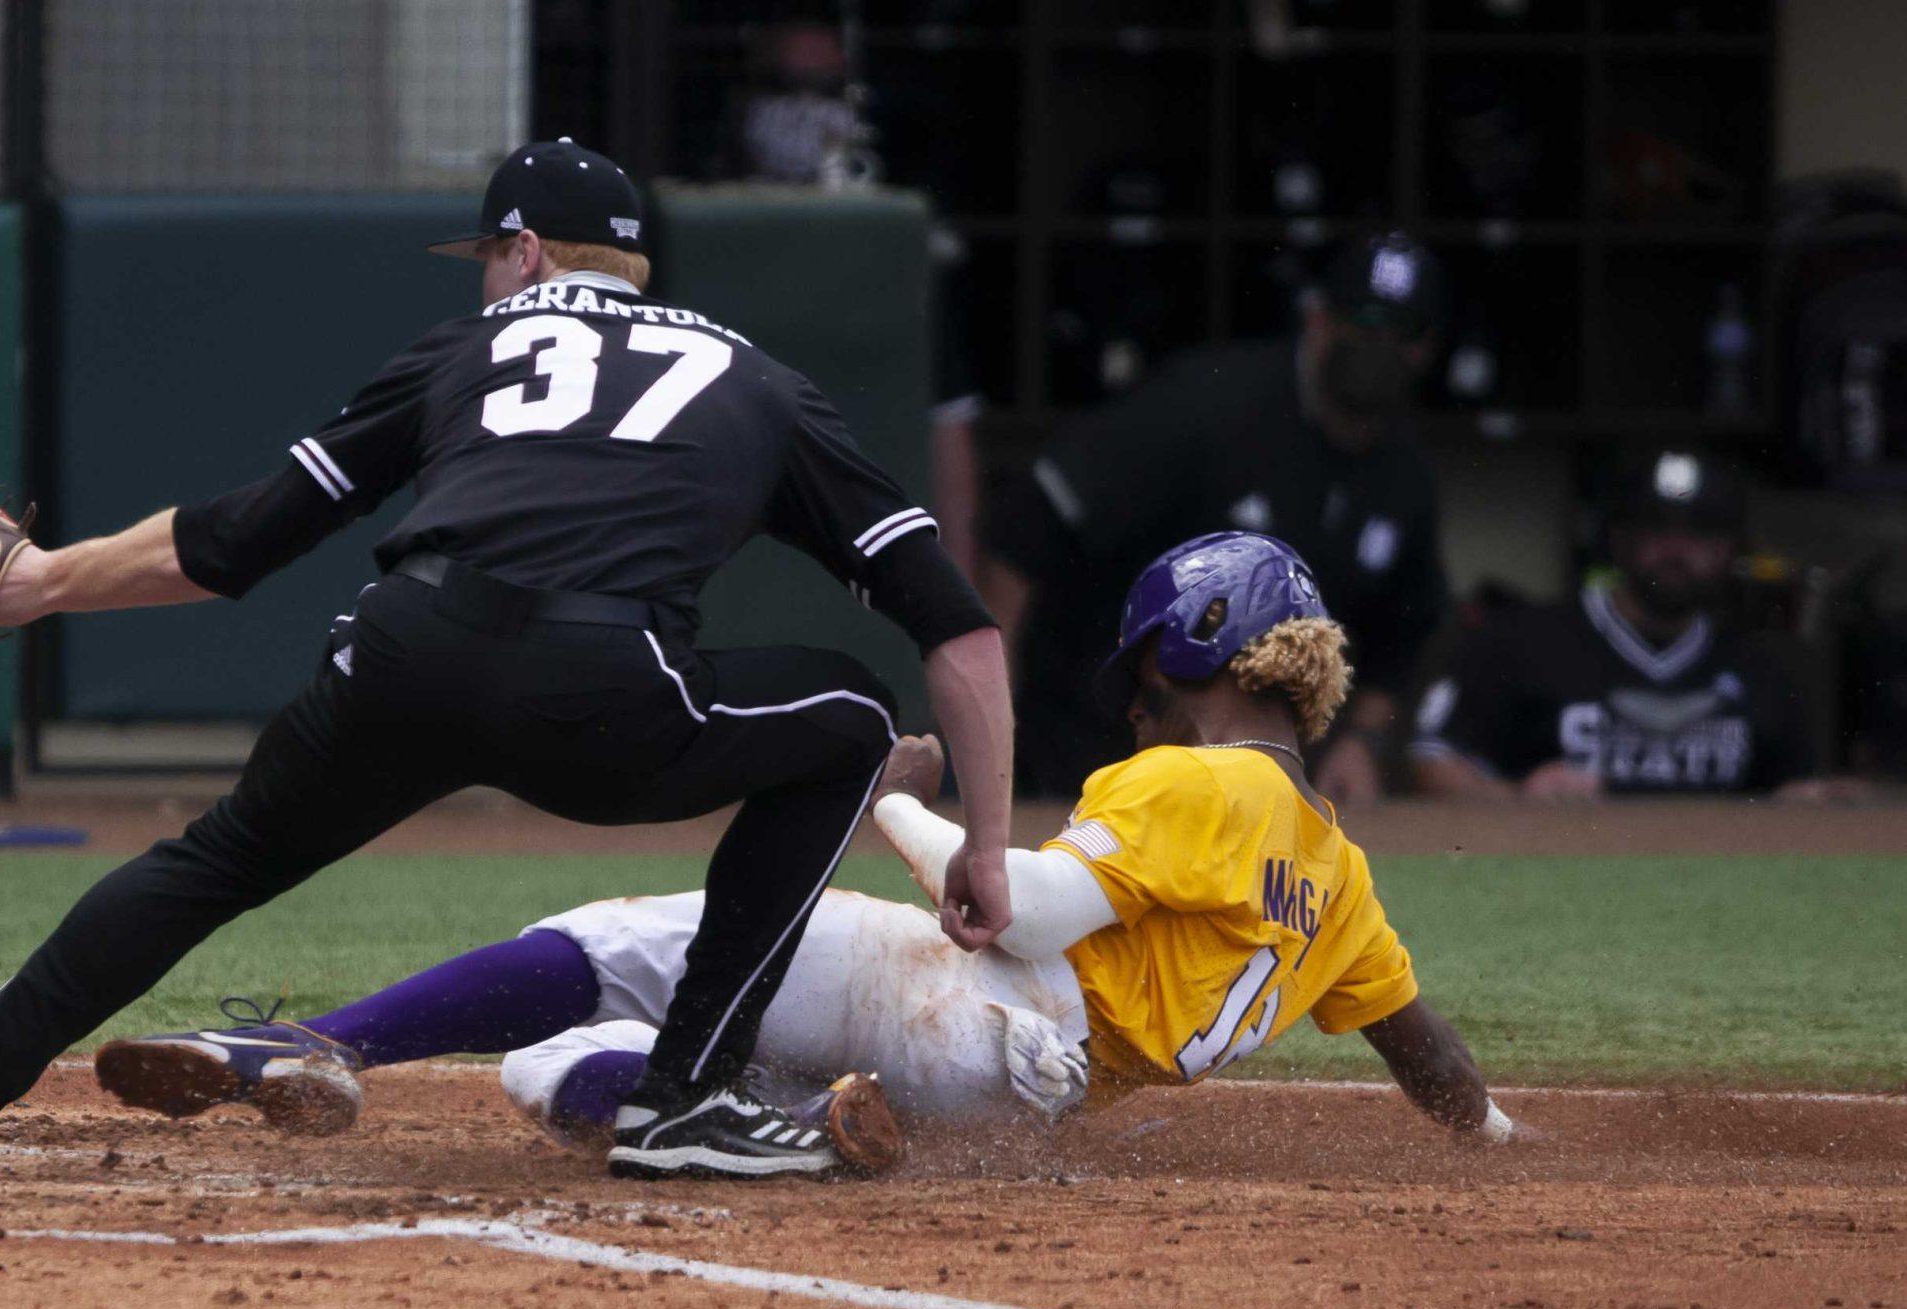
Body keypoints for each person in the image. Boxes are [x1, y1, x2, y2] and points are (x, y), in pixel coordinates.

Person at [0, 139, 1016, 1183]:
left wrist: (38, 584)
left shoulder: (462, 353)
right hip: (606, 695)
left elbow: (234, 542)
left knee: (215, 860)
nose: (488, 281)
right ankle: (686, 1095)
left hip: (407, 654)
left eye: (490, 257)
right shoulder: (764, 384)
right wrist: (988, 847)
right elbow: (955, 627)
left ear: (529, 252)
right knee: (854, 711)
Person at [94, 533, 1520, 1162]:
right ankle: (801, 1138)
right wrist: (1500, 1146)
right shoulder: (1340, 873)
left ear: (1206, 644)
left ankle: (304, 1041)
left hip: (988, 1010)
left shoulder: (1202, 780)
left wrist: (876, 790)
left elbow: (1009, 917)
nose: (1141, 697)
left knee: (625, 942)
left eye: (1154, 667)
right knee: (547, 1072)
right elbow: (1427, 1048)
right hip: (1028, 1098)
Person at [982, 233, 1450, 804]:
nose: (1377, 345)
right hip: (1100, 734)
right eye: (1363, 322)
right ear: (1320, 319)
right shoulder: (1208, 407)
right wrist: (992, 716)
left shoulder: (1406, 475)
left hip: (1262, 774)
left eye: (1400, 332)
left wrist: (1362, 742)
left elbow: (1403, 634)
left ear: (1426, 349)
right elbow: (1032, 522)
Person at [1410, 450, 1830, 799]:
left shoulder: (1762, 666)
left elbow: (1800, 793)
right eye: (1658, 529)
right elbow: (1433, 759)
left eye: (1700, 533)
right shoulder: (1523, 641)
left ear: (1730, 549)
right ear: (1619, 540)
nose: (1677, 551)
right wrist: (1517, 795)